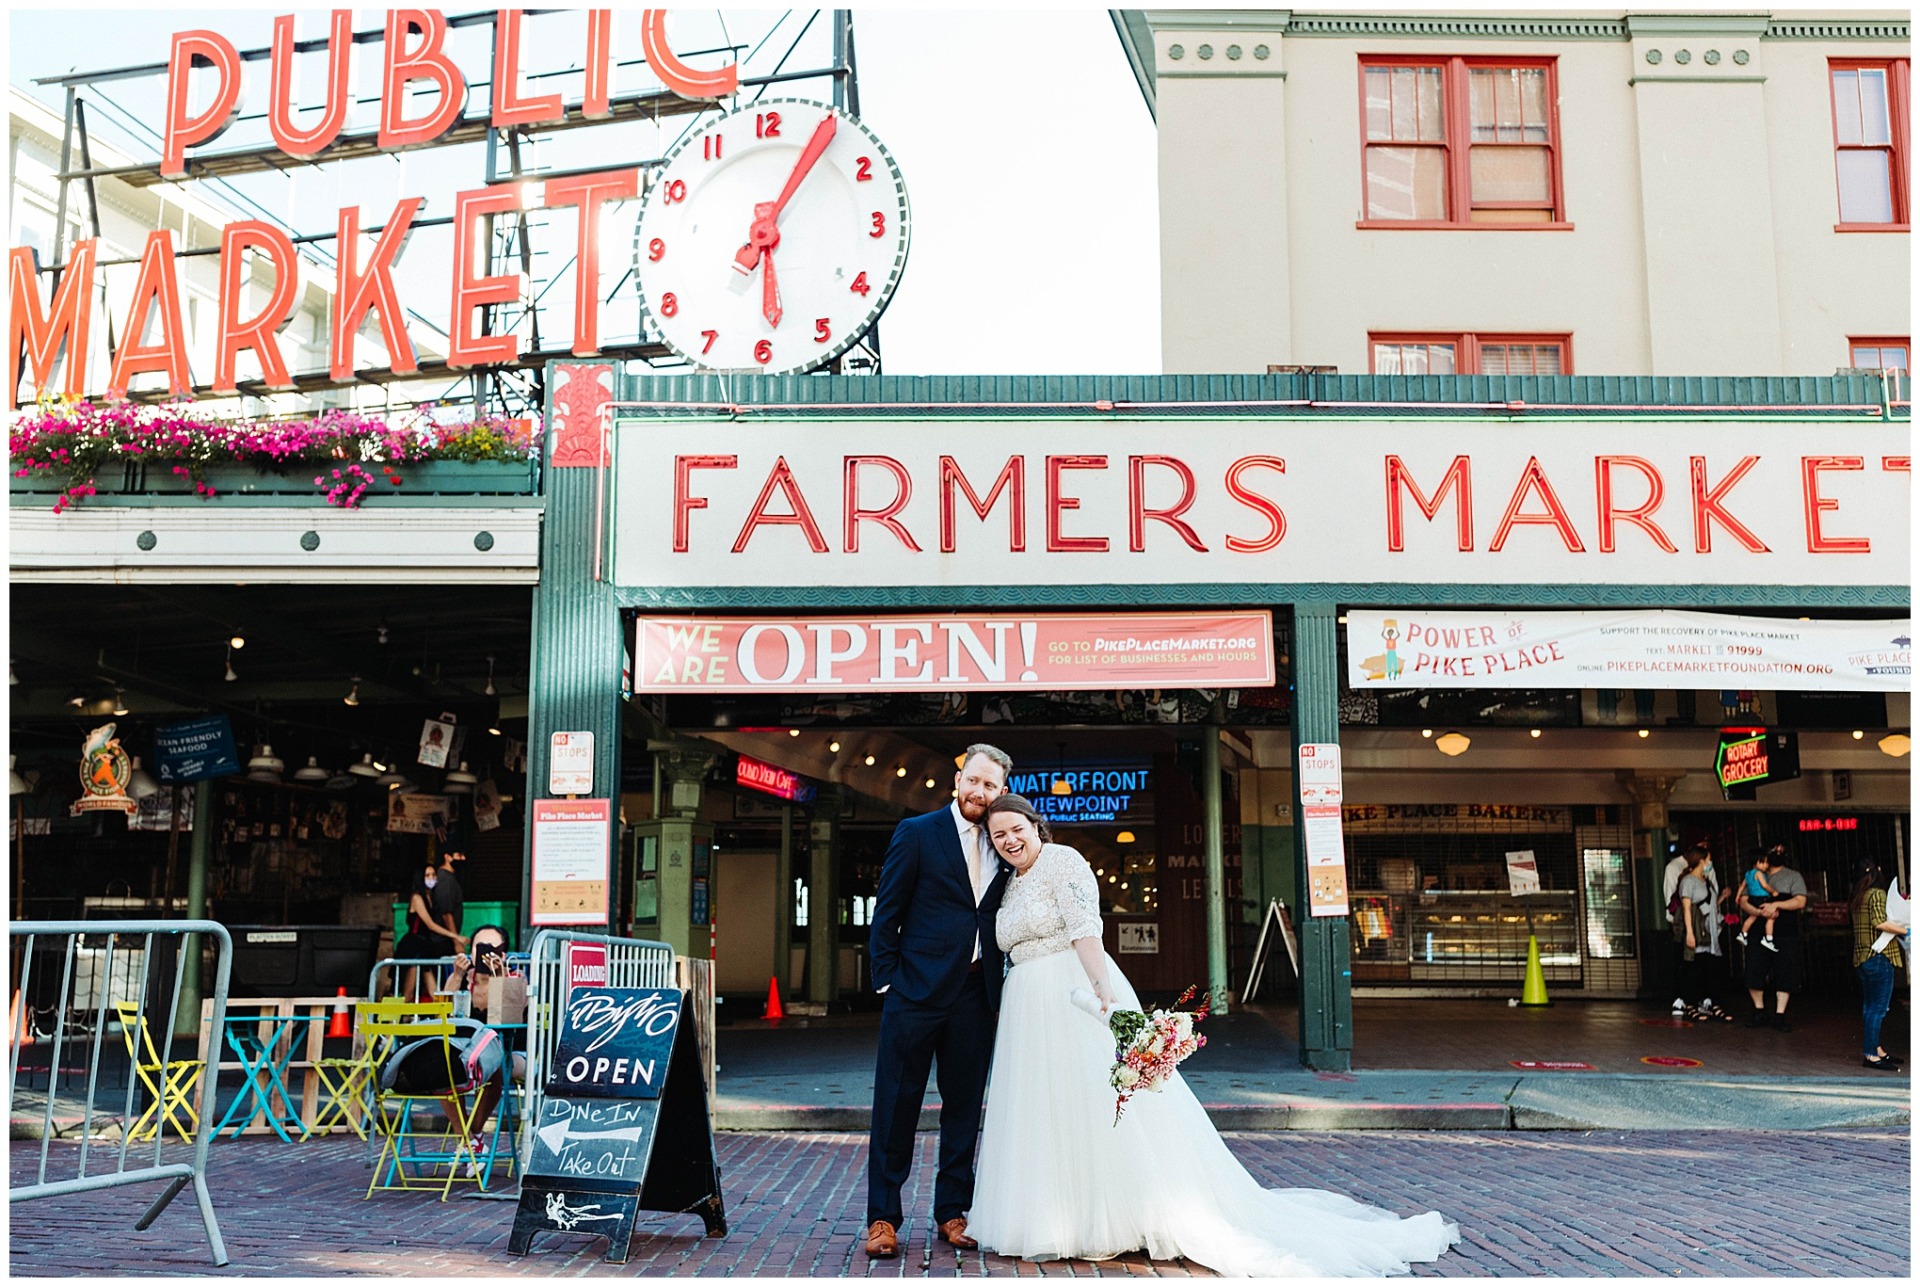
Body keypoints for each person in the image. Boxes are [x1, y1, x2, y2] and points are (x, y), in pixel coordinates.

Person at [967, 794, 1459, 1276]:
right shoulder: (1010, 883)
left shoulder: (1063, 862)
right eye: (999, 835)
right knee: (1047, 1112)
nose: (1010, 840)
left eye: (1017, 829)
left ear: (1037, 827)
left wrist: (1105, 997)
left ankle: (1118, 1214)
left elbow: (1086, 932)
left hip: (1075, 994)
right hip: (1027, 1010)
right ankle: (1057, 1214)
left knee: (1102, 1104)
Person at [862, 744, 1016, 1259]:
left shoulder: (1004, 842)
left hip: (976, 996)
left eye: (990, 786)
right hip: (914, 992)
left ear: (1002, 791)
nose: (979, 792)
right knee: (895, 1106)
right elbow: (888, 911)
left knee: (964, 1108)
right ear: (959, 778)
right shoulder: (917, 832)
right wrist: (888, 981)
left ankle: (953, 1211)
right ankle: (883, 1218)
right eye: (973, 780)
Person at [447, 924, 527, 1174]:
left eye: (492, 948)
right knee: (441, 1069)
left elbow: (510, 1019)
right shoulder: (464, 979)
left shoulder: (514, 977)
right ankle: (470, 1141)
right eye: (479, 947)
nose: (484, 953)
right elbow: (443, 1010)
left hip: (512, 1052)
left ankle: (472, 1137)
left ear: (503, 952)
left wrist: (500, 976)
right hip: (466, 1053)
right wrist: (458, 975)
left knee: (494, 1065)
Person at [1738, 844, 1808, 1031]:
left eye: (1781, 851)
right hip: (1758, 932)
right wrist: (1759, 912)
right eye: (1774, 851)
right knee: (1754, 970)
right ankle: (1759, 1011)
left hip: (1785, 933)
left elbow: (1800, 900)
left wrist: (1776, 905)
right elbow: (1743, 901)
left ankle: (1780, 1014)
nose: (1777, 854)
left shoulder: (1793, 876)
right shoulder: (1754, 873)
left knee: (1785, 971)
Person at [1849, 857, 1907, 1071]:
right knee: (1878, 1009)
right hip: (1880, 956)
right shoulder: (1877, 894)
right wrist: (1908, 930)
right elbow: (1880, 923)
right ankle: (1872, 1055)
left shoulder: (1857, 895)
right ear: (1878, 871)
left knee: (1869, 1007)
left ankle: (1876, 1049)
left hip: (1862, 958)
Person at [1663, 842, 1726, 1015]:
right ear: (1701, 861)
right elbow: (1687, 909)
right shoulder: (1687, 881)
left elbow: (1708, 906)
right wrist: (1690, 933)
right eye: (1708, 859)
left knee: (1707, 968)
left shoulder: (1707, 881)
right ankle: (1687, 1002)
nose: (1710, 863)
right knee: (1691, 968)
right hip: (1697, 932)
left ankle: (1705, 1001)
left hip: (1709, 931)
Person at [395, 858, 467, 1001]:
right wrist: (456, 937)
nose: (432, 878)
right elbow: (430, 925)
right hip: (413, 946)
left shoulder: (432, 897)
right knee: (408, 990)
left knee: (433, 988)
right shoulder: (417, 898)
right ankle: (395, 1020)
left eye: (434, 875)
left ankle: (440, 1015)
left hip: (425, 945)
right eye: (427, 875)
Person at [1735, 852, 1781, 952]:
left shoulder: (1747, 874)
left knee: (1752, 917)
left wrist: (1737, 896)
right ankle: (1768, 939)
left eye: (1767, 862)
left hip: (1753, 899)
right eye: (1763, 862)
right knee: (1771, 917)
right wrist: (1773, 891)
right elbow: (1764, 885)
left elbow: (1742, 886)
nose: (1766, 865)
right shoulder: (1759, 873)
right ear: (1755, 863)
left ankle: (1743, 934)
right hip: (1762, 898)